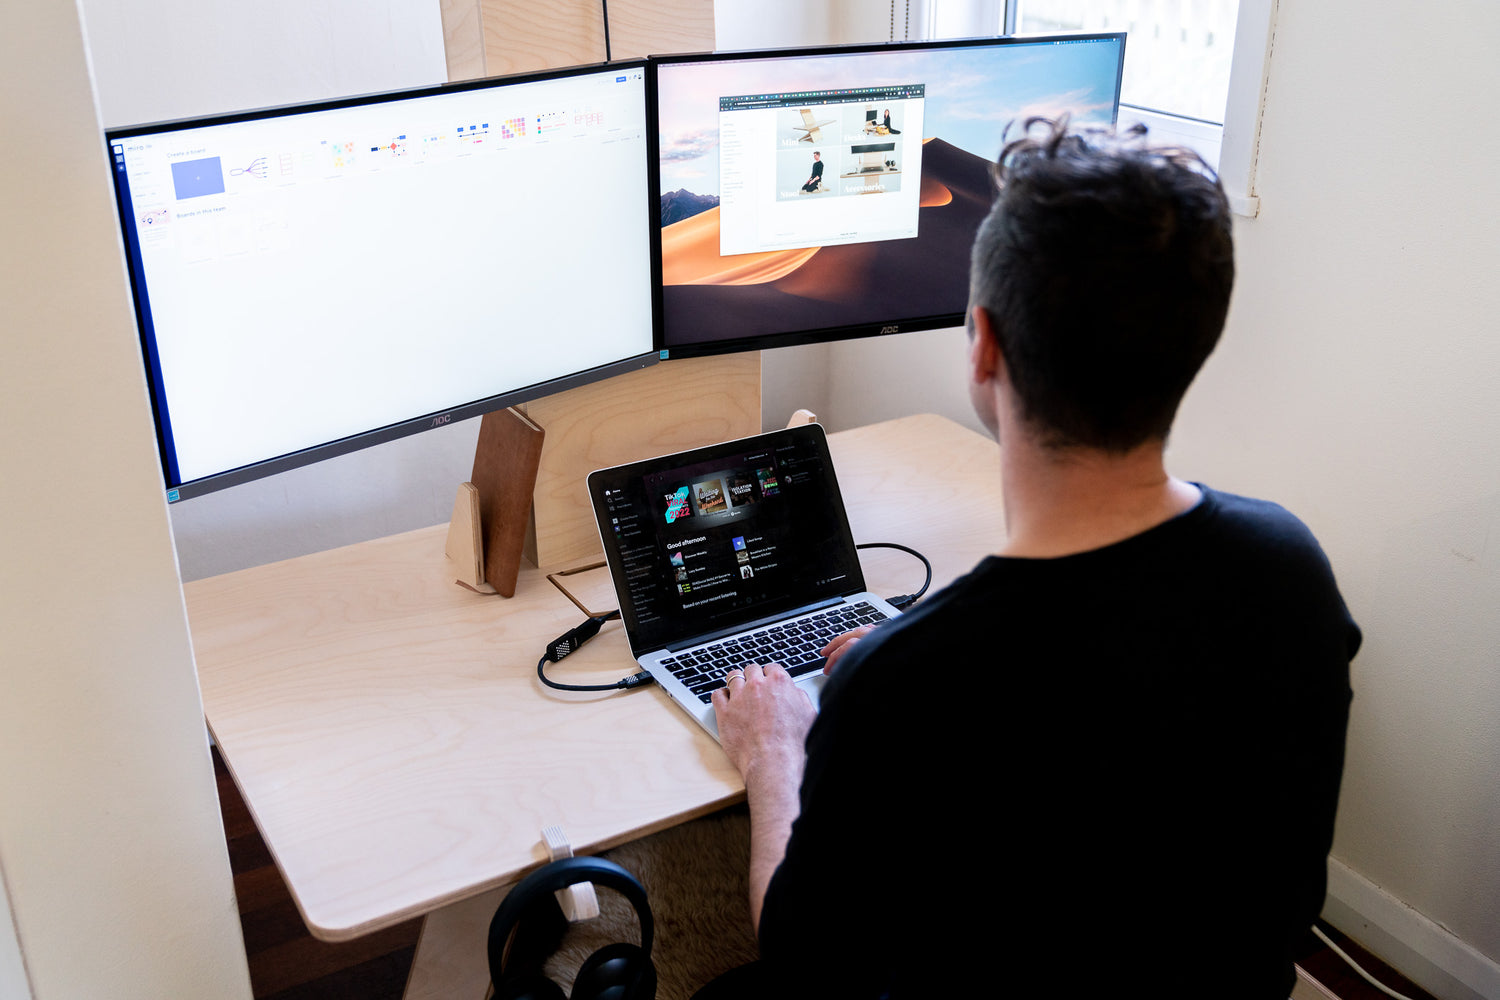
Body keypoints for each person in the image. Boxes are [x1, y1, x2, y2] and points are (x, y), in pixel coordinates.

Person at [701, 117, 1358, 998]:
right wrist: (898, 679)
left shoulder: (905, 684)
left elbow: (805, 961)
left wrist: (775, 753)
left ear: (984, 343)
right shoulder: (1291, 570)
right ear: (1199, 338)